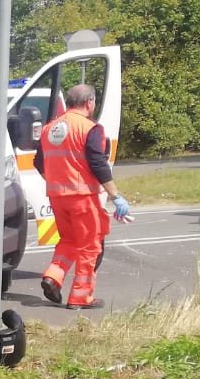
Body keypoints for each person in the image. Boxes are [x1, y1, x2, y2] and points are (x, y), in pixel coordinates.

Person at [34, 82, 132, 309]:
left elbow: (38, 162)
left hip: (57, 197)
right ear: (89, 103)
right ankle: (81, 297)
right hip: (82, 196)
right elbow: (98, 163)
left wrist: (57, 180)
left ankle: (53, 276)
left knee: (68, 240)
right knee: (90, 246)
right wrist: (115, 195)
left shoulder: (50, 128)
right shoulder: (90, 128)